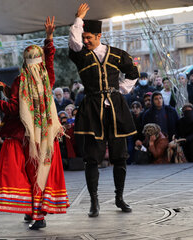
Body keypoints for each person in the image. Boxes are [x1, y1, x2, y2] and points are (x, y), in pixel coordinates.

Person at [0, 17, 69, 230]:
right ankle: (35, 211)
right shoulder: (47, 77)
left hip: (27, 138)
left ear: (24, 62)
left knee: (29, 174)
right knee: (42, 173)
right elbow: (50, 60)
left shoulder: (20, 81)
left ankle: (37, 215)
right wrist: (49, 38)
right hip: (47, 136)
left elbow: (14, 109)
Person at [68, 3, 139, 217]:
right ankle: (94, 202)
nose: (86, 41)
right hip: (92, 109)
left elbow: (133, 72)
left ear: (99, 36)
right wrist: (78, 19)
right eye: (84, 37)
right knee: (92, 157)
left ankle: (119, 198)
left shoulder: (117, 55)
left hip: (115, 108)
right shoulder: (81, 55)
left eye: (89, 37)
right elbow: (73, 41)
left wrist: (121, 89)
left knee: (120, 156)